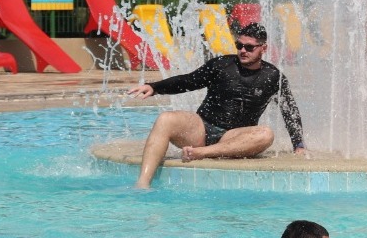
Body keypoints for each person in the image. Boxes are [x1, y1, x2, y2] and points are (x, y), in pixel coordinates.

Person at [129, 22, 306, 188]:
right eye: (239, 45)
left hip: (233, 138)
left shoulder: (273, 77)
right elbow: (188, 81)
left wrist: (298, 145)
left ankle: (201, 153)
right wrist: (155, 87)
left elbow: (289, 110)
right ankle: (142, 183)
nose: (243, 51)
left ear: (263, 48)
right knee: (166, 119)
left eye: (249, 47)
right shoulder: (221, 65)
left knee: (266, 134)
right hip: (201, 129)